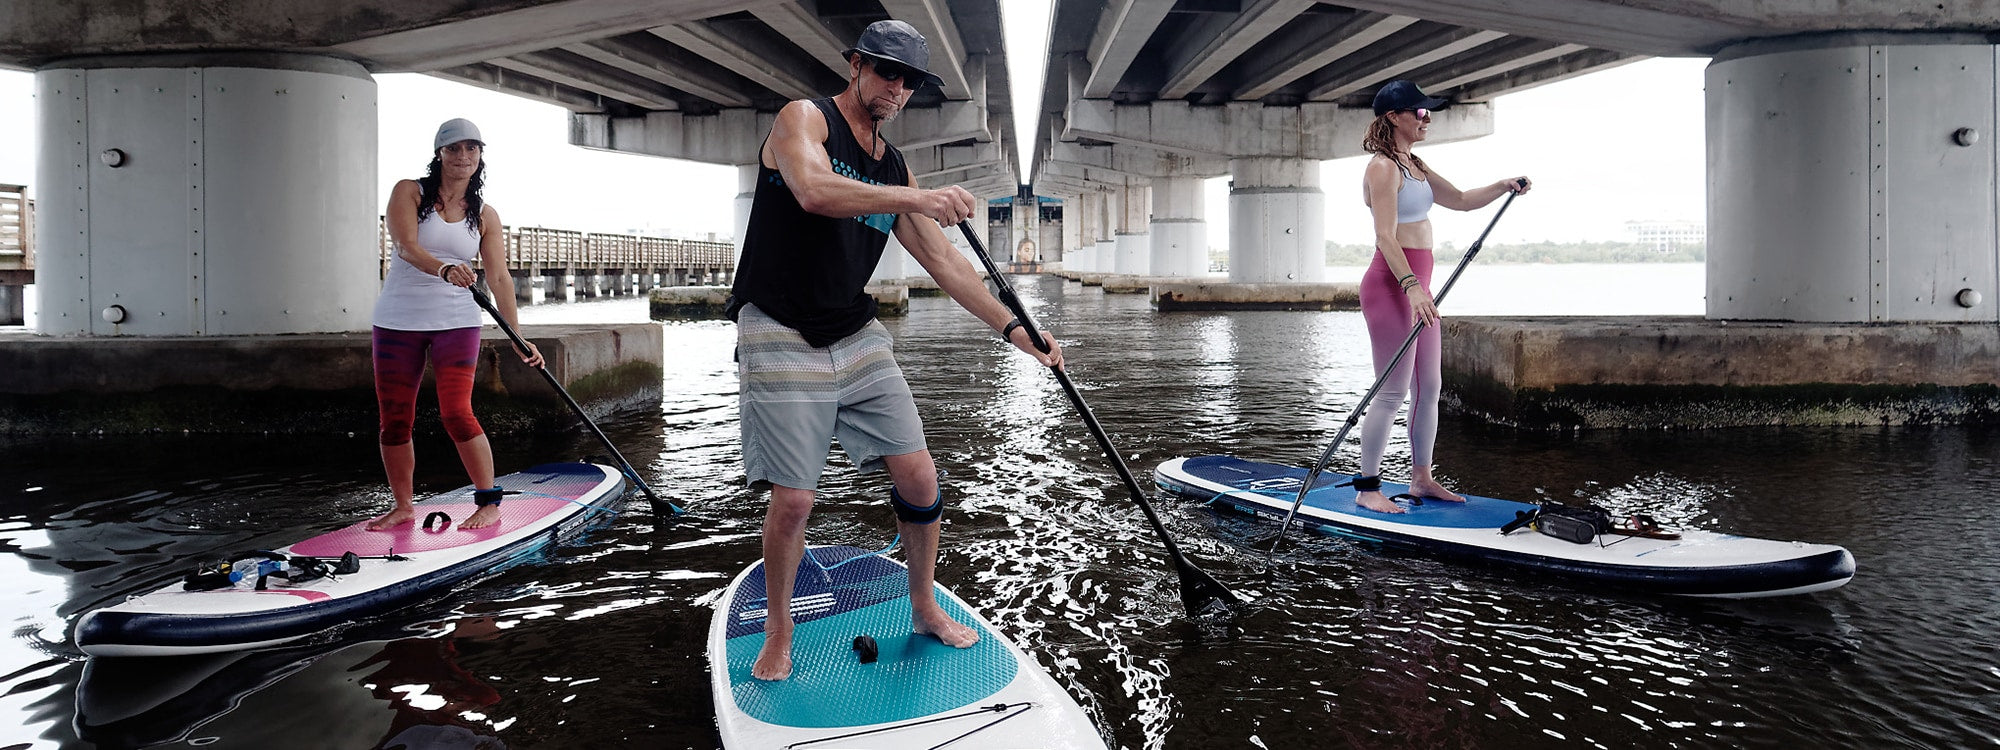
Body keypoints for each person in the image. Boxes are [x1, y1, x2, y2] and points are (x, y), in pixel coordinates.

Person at [729, 19, 1063, 681]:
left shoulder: (894, 165)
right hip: (778, 326)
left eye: (910, 80)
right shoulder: (805, 119)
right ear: (855, 65)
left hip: (853, 331)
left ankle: (922, 608)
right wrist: (919, 194)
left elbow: (948, 266)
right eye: (887, 72)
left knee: (919, 477)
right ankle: (778, 627)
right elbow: (813, 191)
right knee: (795, 499)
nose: (898, 89)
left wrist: (1016, 331)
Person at [1354, 80, 1529, 514]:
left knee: (1430, 387)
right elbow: (1385, 236)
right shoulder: (1383, 168)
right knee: (1392, 392)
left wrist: (1503, 185)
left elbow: (1464, 201)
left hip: (1419, 288)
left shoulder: (1416, 164)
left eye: (1428, 112)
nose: (1427, 118)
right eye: (1420, 111)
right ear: (1395, 117)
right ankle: (1367, 486)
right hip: (1393, 287)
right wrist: (1412, 287)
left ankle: (1421, 479)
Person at [368, 118, 543, 532]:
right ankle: (403, 506)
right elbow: (407, 248)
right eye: (453, 149)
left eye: (471, 149)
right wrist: (445, 268)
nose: (462, 157)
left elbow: (499, 278)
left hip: (456, 323)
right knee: (394, 419)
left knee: (456, 412)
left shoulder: (484, 215)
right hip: (398, 320)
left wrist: (516, 336)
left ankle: (488, 502)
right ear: (439, 154)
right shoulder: (409, 192)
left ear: (480, 156)